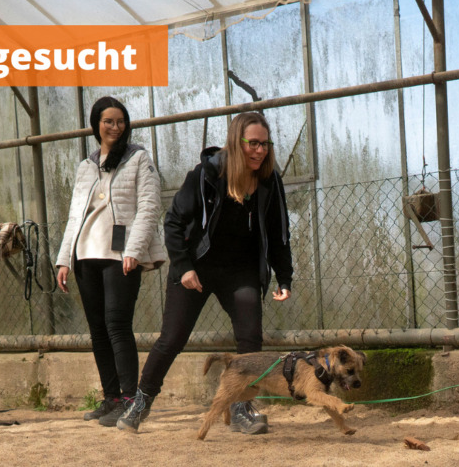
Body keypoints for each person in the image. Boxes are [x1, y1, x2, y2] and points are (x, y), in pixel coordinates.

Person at [117, 111, 294, 434]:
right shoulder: (207, 175)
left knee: (250, 339)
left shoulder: (270, 181)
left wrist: (284, 277)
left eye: (265, 144)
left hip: (241, 272)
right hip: (196, 267)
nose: (260, 150)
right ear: (236, 142)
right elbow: (173, 222)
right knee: (172, 339)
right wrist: (183, 267)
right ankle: (140, 402)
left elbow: (279, 234)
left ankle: (240, 408)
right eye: (253, 143)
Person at [54, 96, 168, 426]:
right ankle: (111, 398)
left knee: (117, 325)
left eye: (120, 121)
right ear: (96, 125)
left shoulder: (139, 158)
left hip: (120, 256)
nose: (115, 127)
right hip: (86, 256)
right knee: (98, 330)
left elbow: (149, 207)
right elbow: (75, 216)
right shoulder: (86, 166)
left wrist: (134, 250)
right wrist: (64, 260)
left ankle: (130, 400)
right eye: (108, 121)